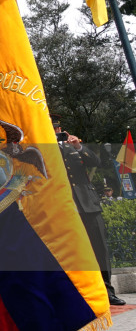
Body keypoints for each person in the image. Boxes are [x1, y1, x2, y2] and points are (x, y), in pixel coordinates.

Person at [57, 125, 126, 306]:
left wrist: (78, 146)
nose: (55, 132)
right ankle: (78, 293)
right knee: (71, 252)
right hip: (64, 207)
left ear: (61, 130)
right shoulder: (42, 150)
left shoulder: (73, 146)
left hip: (88, 204)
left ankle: (107, 291)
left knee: (100, 248)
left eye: (57, 130)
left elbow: (95, 162)